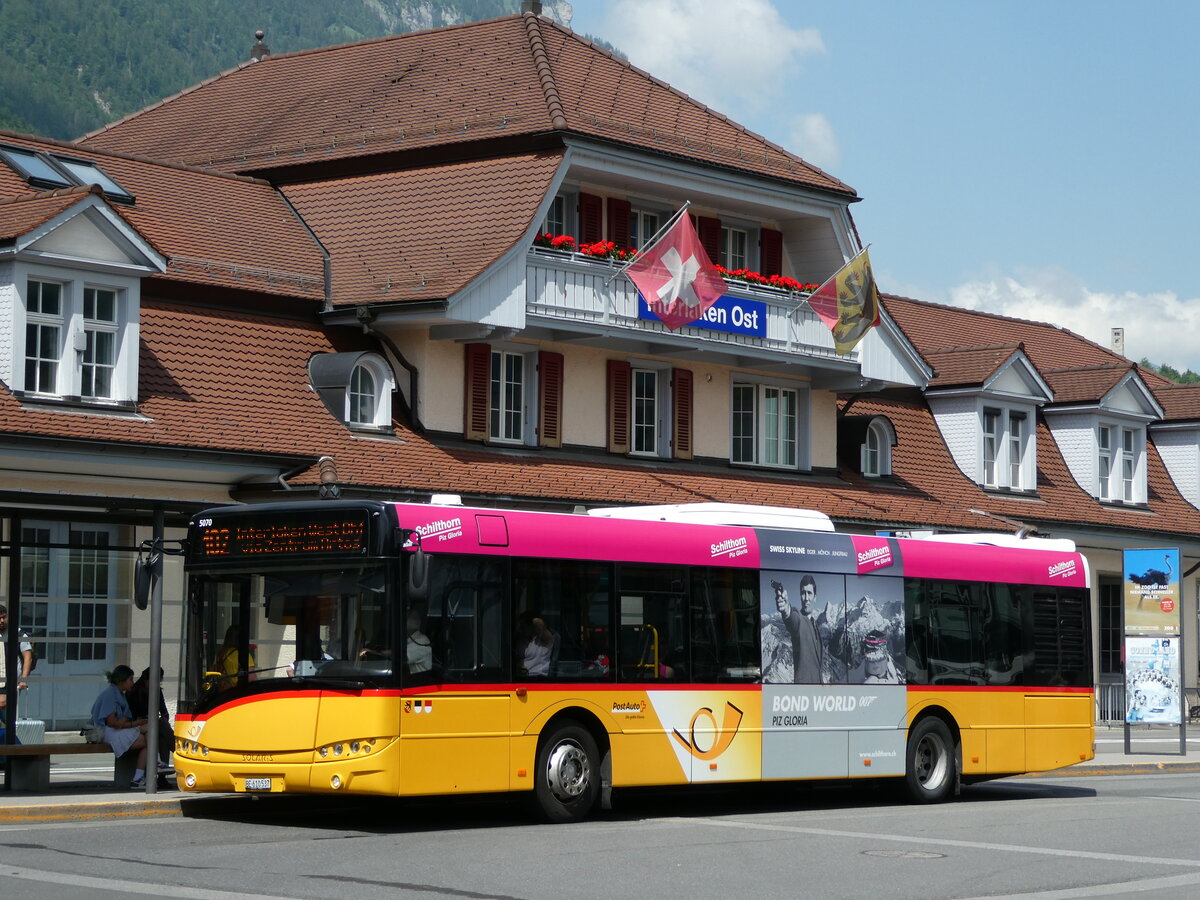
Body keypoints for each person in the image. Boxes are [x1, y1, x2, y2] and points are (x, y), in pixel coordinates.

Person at [90, 665, 150, 788]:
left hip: (115, 730)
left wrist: (130, 722)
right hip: (107, 732)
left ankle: (139, 777)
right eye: (130, 680)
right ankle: (152, 766)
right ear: (122, 681)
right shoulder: (110, 694)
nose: (132, 683)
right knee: (146, 739)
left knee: (149, 733)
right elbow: (113, 723)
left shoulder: (119, 694)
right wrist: (133, 723)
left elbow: (123, 720)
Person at [773, 576, 823, 683]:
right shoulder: (798, 618)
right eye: (803, 593)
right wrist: (785, 609)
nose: (806, 598)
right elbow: (791, 618)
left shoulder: (815, 624)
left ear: (815, 597)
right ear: (800, 596)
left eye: (809, 593)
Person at [128, 667, 173, 772]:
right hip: (139, 726)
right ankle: (178, 750)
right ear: (145, 680)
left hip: (153, 725)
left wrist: (164, 718)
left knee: (163, 736)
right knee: (163, 730)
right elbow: (132, 717)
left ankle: (162, 771)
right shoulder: (134, 692)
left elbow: (164, 712)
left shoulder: (157, 691)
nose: (156, 685)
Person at [0, 603, 34, 717]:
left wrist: (23, 679)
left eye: (4, 617)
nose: (2, 621)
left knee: (3, 704)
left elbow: (28, 657)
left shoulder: (18, 634)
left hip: (9, 680)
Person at [213, 625, 256, 689]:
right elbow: (251, 678)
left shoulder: (221, 654)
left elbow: (214, 672)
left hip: (224, 692)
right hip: (237, 691)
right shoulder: (244, 655)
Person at [517, 611, 554, 676]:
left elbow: (540, 624)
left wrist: (533, 619)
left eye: (523, 626)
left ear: (532, 626)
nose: (521, 629)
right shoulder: (521, 639)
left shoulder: (545, 639)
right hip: (521, 677)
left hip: (538, 677)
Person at [405, 609, 432, 674]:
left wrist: (385, 653)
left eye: (418, 618)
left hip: (421, 679)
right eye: (413, 617)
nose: (418, 620)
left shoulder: (423, 640)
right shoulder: (407, 640)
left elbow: (402, 656)